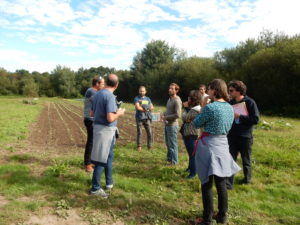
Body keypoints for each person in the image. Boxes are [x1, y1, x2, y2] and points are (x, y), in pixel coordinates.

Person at [192, 79, 241, 225]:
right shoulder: (230, 107)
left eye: (209, 88)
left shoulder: (210, 108)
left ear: (215, 90)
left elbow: (196, 123)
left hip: (209, 146)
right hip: (223, 145)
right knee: (221, 182)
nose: (207, 91)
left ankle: (207, 219)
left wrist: (203, 106)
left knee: (206, 182)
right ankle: (222, 216)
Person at [90, 74, 125, 198]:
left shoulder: (97, 94)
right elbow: (110, 118)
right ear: (117, 84)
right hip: (106, 130)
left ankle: (109, 183)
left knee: (108, 156)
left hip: (99, 128)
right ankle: (95, 189)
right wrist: (119, 113)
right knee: (101, 159)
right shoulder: (109, 96)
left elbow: (91, 113)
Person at [226, 80, 259, 189]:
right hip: (231, 136)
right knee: (231, 159)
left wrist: (239, 116)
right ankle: (228, 183)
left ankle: (247, 180)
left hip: (245, 137)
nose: (229, 92)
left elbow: (255, 119)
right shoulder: (230, 103)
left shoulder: (250, 102)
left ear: (239, 91)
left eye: (231, 90)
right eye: (229, 90)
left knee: (246, 159)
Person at [83, 75, 104, 172]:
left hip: (93, 119)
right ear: (97, 84)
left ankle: (91, 162)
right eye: (102, 84)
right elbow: (100, 100)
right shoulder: (92, 91)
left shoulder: (95, 92)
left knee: (94, 141)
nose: (103, 86)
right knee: (91, 141)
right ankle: (87, 164)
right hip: (90, 119)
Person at [181, 90, 201, 179]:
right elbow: (186, 119)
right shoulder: (193, 109)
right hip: (189, 133)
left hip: (192, 134)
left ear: (193, 99)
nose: (188, 99)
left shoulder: (195, 109)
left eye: (190, 98)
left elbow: (184, 117)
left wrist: (185, 108)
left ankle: (193, 173)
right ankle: (190, 168)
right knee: (190, 153)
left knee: (193, 154)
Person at [161, 83, 182, 165]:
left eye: (172, 88)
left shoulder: (177, 100)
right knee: (168, 143)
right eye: (169, 88)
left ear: (176, 90)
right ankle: (169, 159)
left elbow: (178, 115)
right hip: (167, 125)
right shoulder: (169, 99)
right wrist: (163, 114)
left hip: (173, 125)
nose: (169, 90)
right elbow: (168, 111)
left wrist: (166, 117)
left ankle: (174, 162)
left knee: (173, 144)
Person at [134, 86, 154, 151]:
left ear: (145, 91)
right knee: (139, 132)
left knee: (150, 132)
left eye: (143, 91)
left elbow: (152, 107)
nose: (142, 92)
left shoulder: (148, 99)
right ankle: (139, 146)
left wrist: (145, 108)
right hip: (139, 117)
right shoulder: (136, 98)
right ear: (139, 91)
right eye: (140, 91)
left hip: (147, 117)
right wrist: (147, 109)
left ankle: (149, 146)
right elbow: (137, 107)